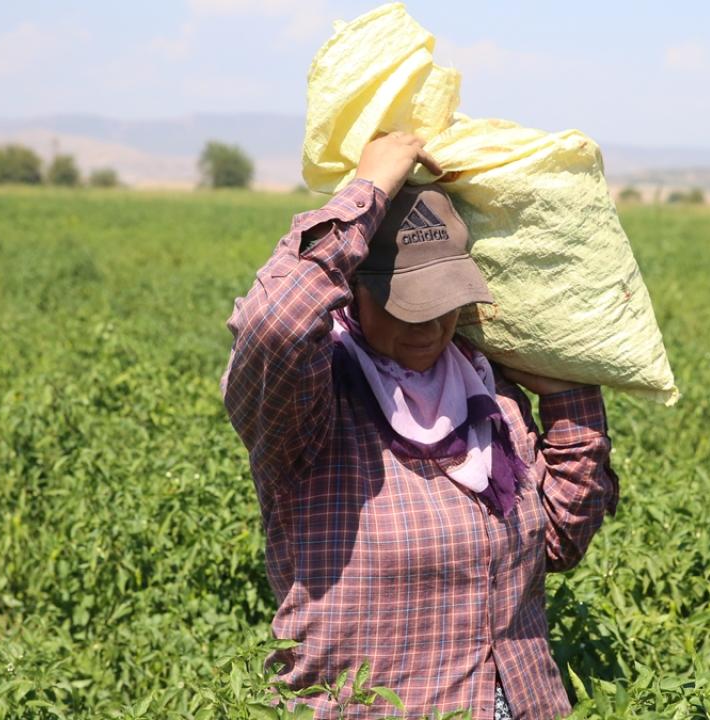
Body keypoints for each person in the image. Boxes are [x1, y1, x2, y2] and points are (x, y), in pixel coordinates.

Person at [221, 132, 618, 720]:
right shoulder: (314, 405)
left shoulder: (485, 389)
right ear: (352, 292)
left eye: (445, 301)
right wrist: (368, 189)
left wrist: (571, 403)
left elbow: (556, 542)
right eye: (406, 304)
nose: (430, 326)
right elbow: (275, 322)